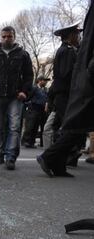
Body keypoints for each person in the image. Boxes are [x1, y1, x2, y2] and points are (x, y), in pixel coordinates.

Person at [37, 14, 94, 177]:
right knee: (72, 128)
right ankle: (50, 158)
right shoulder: (67, 52)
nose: (79, 37)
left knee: (71, 128)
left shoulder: (67, 51)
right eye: (77, 34)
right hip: (67, 95)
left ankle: (58, 164)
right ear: (70, 36)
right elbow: (66, 75)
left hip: (67, 95)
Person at [0, 26, 34, 170]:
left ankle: (11, 157)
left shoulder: (23, 55)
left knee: (14, 127)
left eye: (9, 36)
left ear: (14, 37)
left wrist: (24, 91)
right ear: (0, 37)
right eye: (3, 36)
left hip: (15, 97)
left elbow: (29, 75)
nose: (6, 39)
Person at [22, 76, 49, 148]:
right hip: (33, 108)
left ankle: (31, 142)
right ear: (40, 81)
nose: (46, 82)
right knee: (30, 125)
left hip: (41, 110)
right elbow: (28, 97)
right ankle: (26, 141)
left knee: (36, 126)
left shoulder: (45, 90)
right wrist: (27, 105)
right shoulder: (34, 88)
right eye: (44, 80)